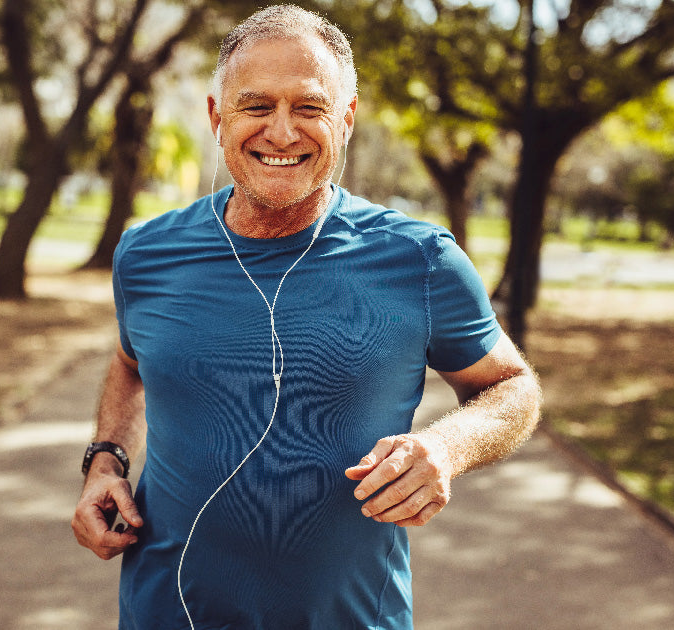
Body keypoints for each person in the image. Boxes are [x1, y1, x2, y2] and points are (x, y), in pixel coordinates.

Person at [71, 5, 541, 629]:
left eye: (310, 108)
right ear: (217, 117)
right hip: (163, 610)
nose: (283, 132)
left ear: (345, 120)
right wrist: (106, 462)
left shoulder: (422, 260)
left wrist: (444, 448)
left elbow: (513, 387)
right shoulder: (146, 254)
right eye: (256, 106)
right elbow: (132, 363)